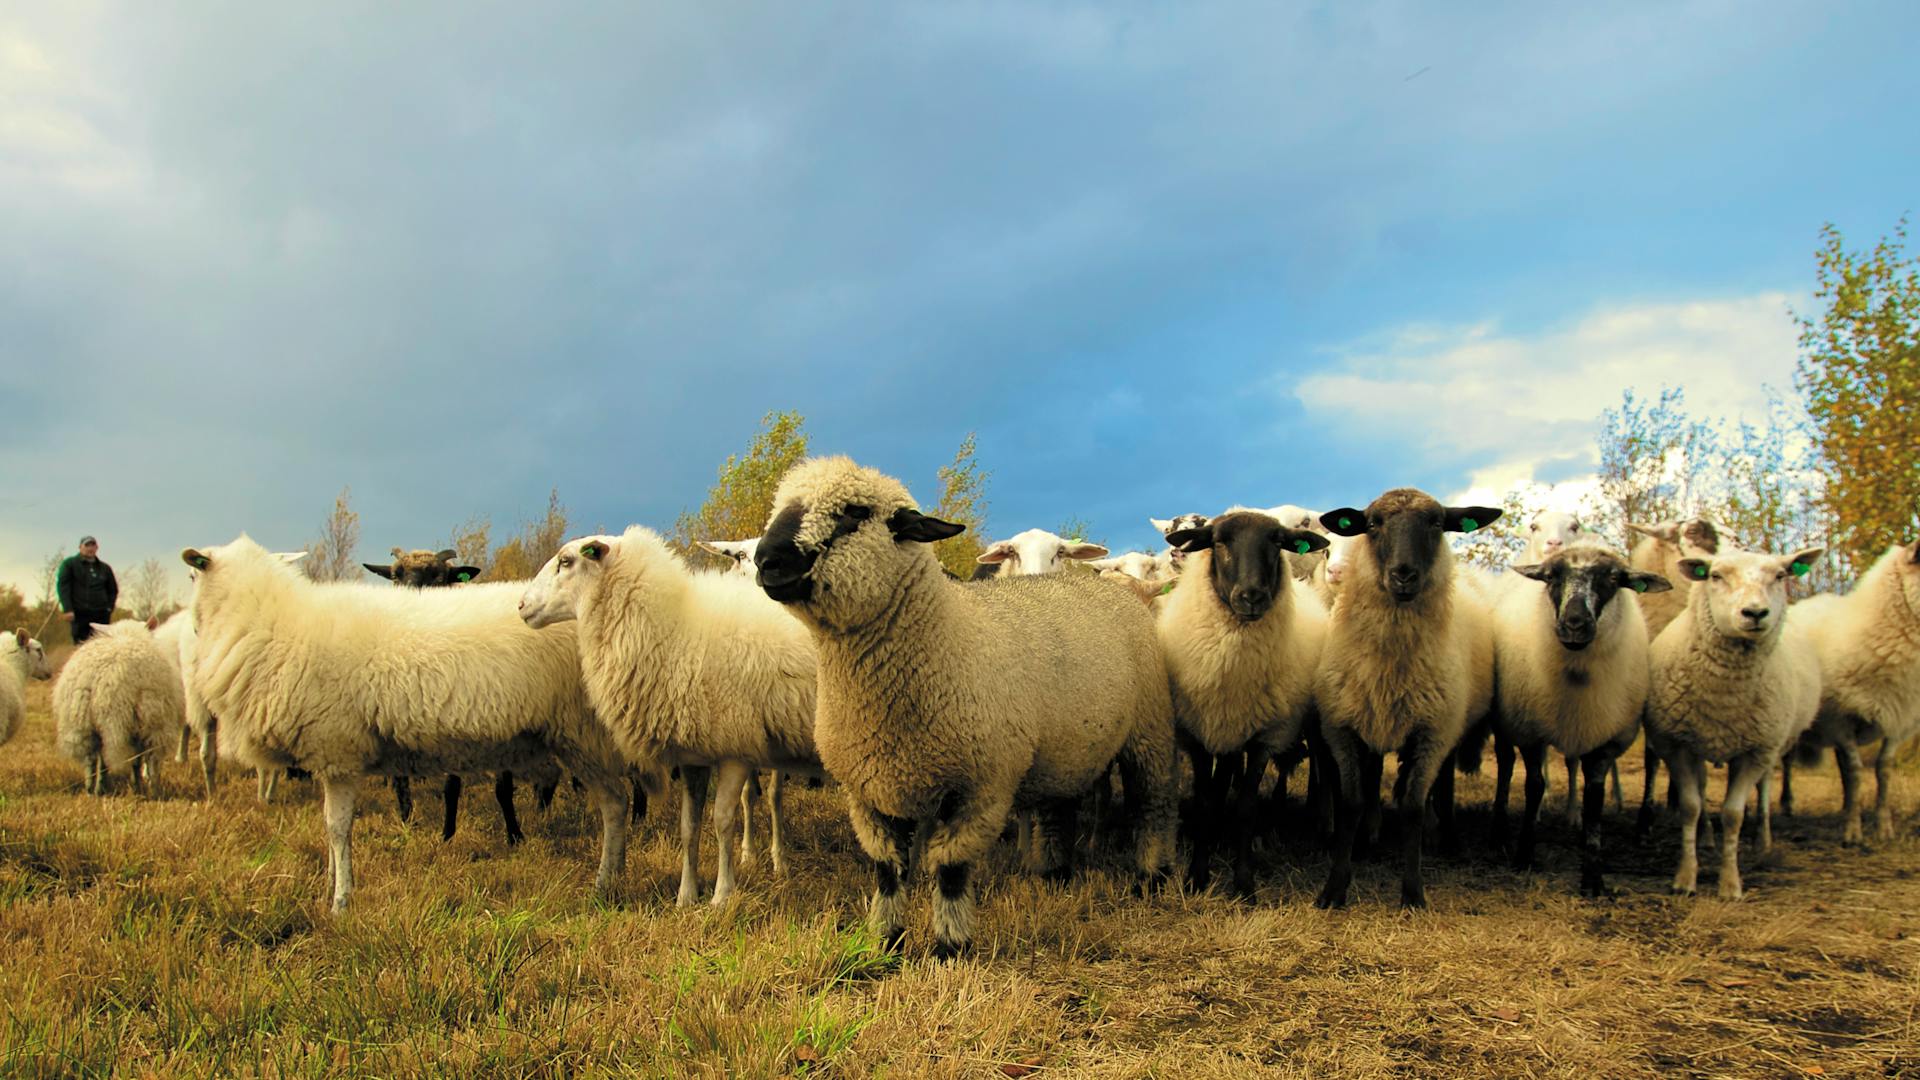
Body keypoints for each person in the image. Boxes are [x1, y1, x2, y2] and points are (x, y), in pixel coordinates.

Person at [57, 535, 118, 645]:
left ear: (97, 547)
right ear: (80, 547)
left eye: (92, 545)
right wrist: (67, 608)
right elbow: (63, 587)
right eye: (87, 545)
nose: (90, 548)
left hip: (101, 615)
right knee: (81, 645)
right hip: (80, 614)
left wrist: (109, 608)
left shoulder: (105, 568)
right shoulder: (70, 564)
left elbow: (113, 590)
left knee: (103, 645)